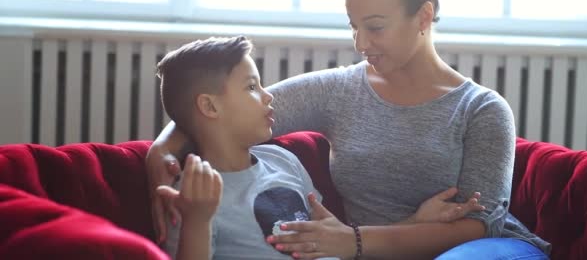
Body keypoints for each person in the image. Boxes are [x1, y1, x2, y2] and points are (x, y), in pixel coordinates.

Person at [147, 0, 551, 258]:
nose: (360, 44)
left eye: (375, 27)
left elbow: (479, 227)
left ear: (424, 16)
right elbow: (228, 107)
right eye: (353, 26)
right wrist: (159, 153)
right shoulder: (339, 91)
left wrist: (353, 240)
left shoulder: (482, 109)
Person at [153, 36, 484, 260]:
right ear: (210, 107)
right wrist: (197, 219)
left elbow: (337, 239)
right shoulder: (196, 194)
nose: (269, 96)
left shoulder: (283, 161)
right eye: (252, 87)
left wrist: (417, 221)